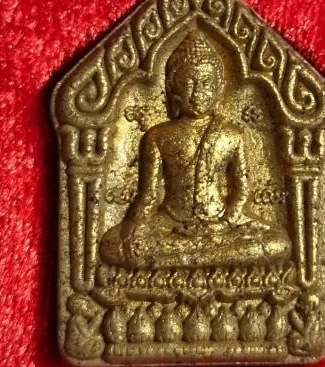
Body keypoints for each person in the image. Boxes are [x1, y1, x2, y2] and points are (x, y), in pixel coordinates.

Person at [99, 29, 291, 269]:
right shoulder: (158, 136)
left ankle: (177, 262)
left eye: (206, 83)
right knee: (112, 244)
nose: (198, 91)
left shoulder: (232, 134)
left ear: (219, 88)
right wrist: (136, 225)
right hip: (170, 222)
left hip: (221, 224)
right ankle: (201, 259)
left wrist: (225, 223)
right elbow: (149, 195)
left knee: (279, 243)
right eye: (188, 82)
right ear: (173, 88)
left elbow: (242, 191)